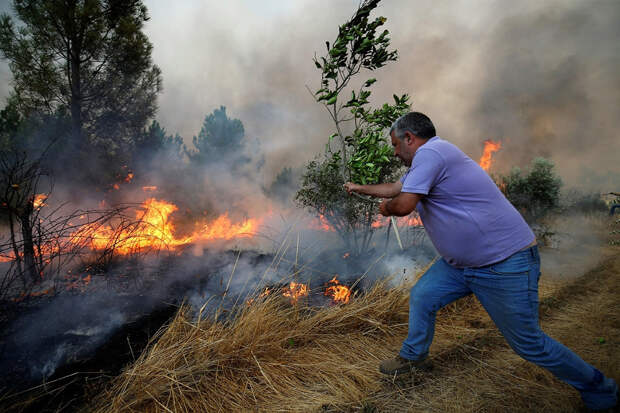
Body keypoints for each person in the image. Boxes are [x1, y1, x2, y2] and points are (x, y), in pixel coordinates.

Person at [343, 112, 618, 411]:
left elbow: (403, 203)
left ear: (410, 138)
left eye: (396, 145)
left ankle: (601, 389)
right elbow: (396, 188)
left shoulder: (432, 152)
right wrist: (360, 187)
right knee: (423, 296)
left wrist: (385, 209)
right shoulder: (427, 161)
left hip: (504, 264)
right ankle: (413, 358)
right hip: (460, 267)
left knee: (529, 344)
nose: (395, 152)